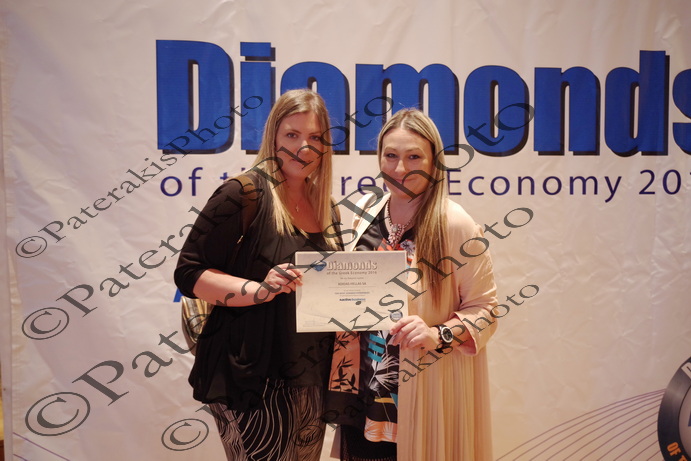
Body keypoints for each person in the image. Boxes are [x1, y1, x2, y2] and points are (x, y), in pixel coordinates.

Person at [174, 89, 342, 461]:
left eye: (315, 137)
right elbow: (189, 273)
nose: (304, 147)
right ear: (273, 137)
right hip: (252, 375)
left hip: (310, 374)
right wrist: (258, 289)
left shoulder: (326, 206)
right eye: (292, 135)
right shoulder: (243, 193)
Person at [327, 109, 498, 461]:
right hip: (362, 400)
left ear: (434, 162)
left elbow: (486, 310)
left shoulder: (455, 223)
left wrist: (438, 334)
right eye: (390, 155)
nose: (400, 168)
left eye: (414, 157)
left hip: (422, 395)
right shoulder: (364, 211)